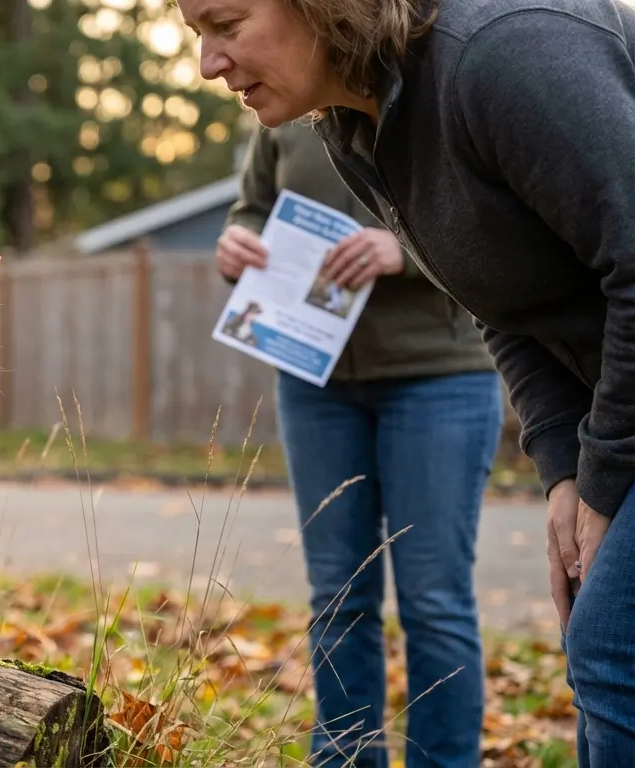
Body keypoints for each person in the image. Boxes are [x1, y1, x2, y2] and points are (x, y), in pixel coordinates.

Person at [177, 0, 635, 763]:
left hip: (457, 381)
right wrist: (565, 469)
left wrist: (607, 472)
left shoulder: (504, 51)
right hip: (351, 378)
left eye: (225, 24)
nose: (207, 63)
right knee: (601, 646)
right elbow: (504, 299)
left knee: (612, 648)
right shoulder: (354, 123)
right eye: (198, 35)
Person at [218, 119, 502, 767]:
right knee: (339, 597)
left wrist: (405, 246)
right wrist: (237, 242)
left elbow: (496, 223)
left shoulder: (436, 95)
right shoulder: (284, 111)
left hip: (440, 376)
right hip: (315, 381)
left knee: (434, 601)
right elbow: (254, 207)